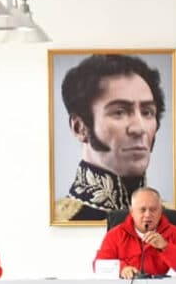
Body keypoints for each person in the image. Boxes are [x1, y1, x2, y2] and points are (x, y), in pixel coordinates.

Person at [54, 54, 166, 222]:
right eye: (119, 112)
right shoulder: (61, 219)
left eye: (147, 112)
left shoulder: (170, 219)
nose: (140, 128)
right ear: (79, 127)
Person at [94, 187, 176, 279]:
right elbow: (99, 266)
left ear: (161, 210)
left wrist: (165, 247)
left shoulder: (175, 234)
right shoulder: (115, 234)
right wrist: (122, 269)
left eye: (153, 209)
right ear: (132, 211)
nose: (148, 215)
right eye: (142, 210)